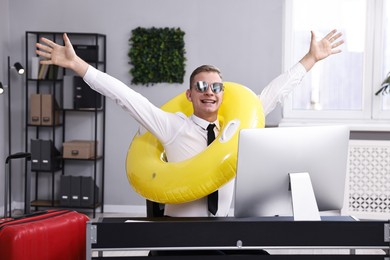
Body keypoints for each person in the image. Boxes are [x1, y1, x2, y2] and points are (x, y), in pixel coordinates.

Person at [36, 30, 343, 218]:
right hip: (178, 232)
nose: (210, 93)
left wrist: (311, 59)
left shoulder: (235, 130)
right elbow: (124, 97)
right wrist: (77, 64)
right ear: (189, 94)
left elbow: (273, 95)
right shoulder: (171, 126)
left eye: (216, 87)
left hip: (223, 230)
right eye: (202, 86)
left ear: (223, 94)